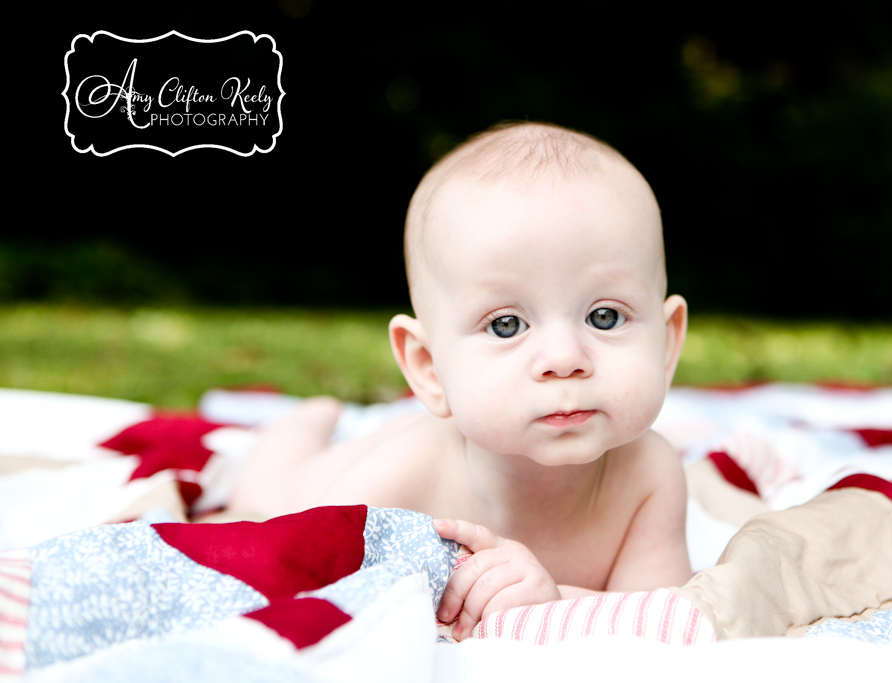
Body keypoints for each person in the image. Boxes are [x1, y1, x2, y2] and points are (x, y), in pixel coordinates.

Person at [230, 121, 692, 640]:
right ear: (428, 368)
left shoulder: (650, 475)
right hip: (327, 478)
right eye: (506, 325)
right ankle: (296, 430)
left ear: (668, 343)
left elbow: (663, 622)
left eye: (604, 317)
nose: (565, 359)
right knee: (265, 489)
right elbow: (311, 570)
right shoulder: (407, 474)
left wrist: (550, 599)